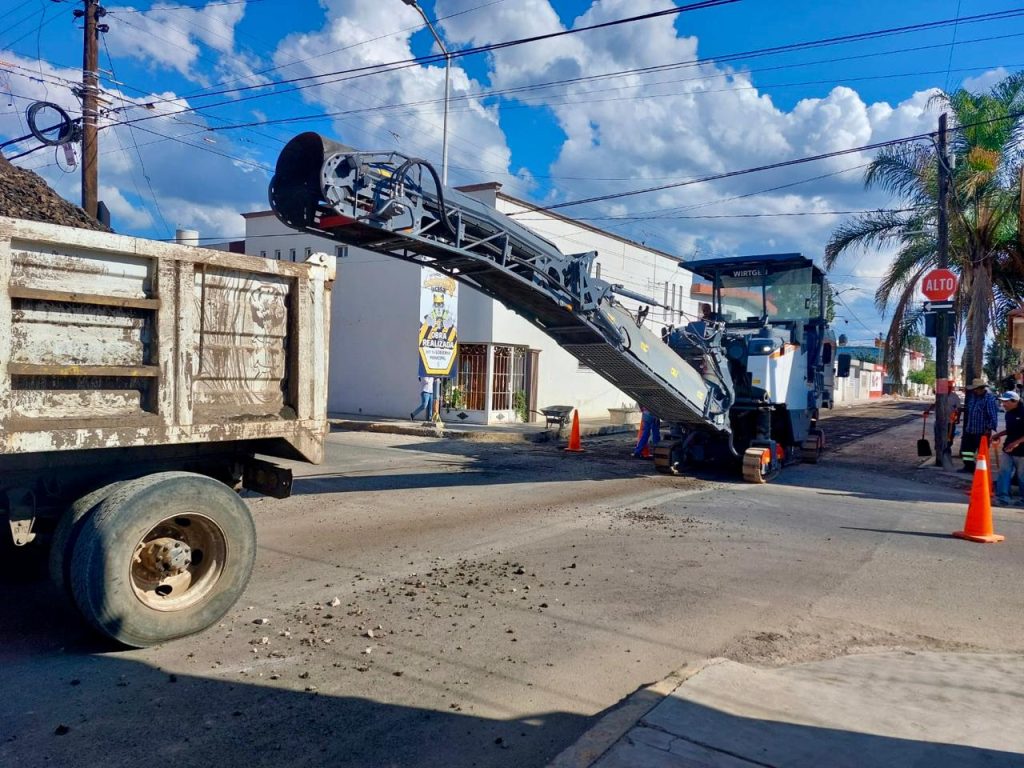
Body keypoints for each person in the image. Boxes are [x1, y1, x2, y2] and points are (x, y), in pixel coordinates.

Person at [960, 378, 999, 473]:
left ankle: (981, 471)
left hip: (982, 431)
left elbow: (993, 417)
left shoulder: (989, 399)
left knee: (982, 453)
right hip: (970, 430)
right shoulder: (973, 398)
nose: (974, 391)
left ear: (982, 388)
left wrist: (988, 429)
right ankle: (969, 467)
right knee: (966, 450)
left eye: (976, 389)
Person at [993, 391, 1024, 505]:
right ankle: (1003, 498)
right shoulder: (1009, 414)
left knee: (1022, 477)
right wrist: (998, 435)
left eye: (1006, 402)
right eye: (1002, 402)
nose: (1003, 405)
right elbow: (1010, 430)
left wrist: (1016, 443)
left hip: (1022, 452)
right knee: (1004, 473)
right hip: (1008, 449)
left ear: (1015, 401)